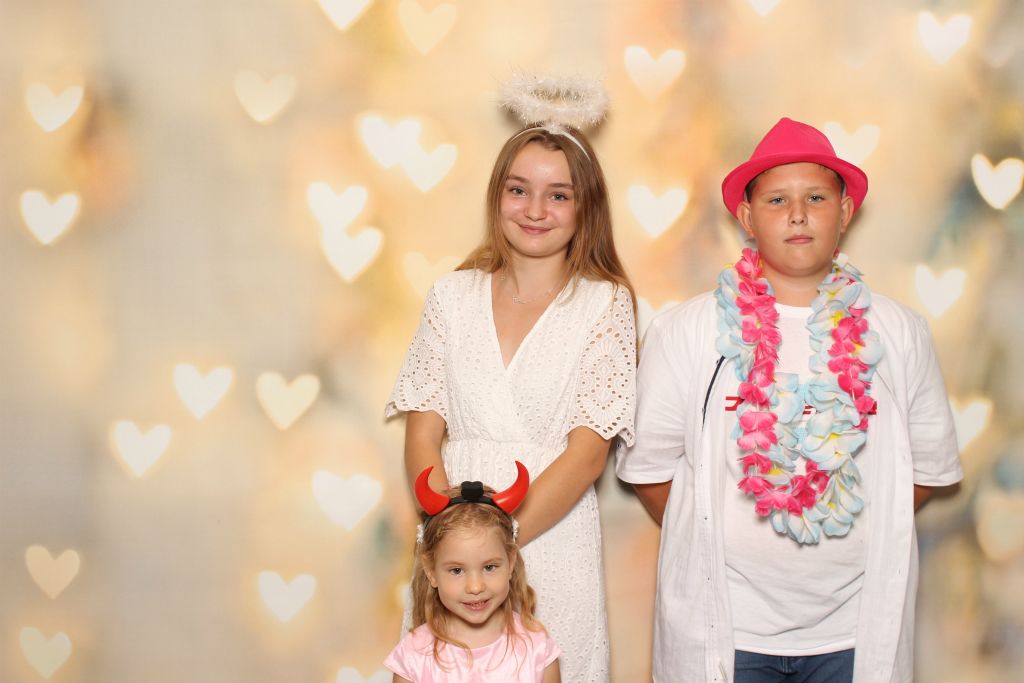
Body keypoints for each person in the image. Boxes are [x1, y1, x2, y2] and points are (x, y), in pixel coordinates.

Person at [616, 117, 963, 682]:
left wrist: (853, 531)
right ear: (747, 217)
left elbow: (922, 472)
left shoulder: (898, 333)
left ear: (844, 212)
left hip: (853, 632)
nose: (798, 214)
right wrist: (718, 533)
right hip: (728, 630)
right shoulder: (686, 332)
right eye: (777, 200)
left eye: (816, 198)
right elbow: (651, 472)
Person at [386, 74, 636, 682]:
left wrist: (498, 542)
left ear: (585, 207)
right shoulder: (451, 296)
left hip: (550, 534)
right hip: (452, 540)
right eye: (519, 189)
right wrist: (456, 543)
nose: (535, 210)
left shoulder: (605, 305)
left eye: (558, 195)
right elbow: (424, 432)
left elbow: (587, 452)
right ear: (497, 195)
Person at [385, 463, 561, 682]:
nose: (476, 587)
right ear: (431, 572)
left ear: (511, 562)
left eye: (489, 567)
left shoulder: (537, 649)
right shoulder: (413, 656)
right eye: (457, 570)